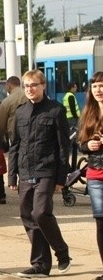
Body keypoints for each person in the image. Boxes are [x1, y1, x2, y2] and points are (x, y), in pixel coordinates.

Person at [8, 69, 72, 278]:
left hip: (47, 170)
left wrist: (62, 178)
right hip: (25, 171)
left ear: (43, 86)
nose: (29, 89)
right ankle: (40, 265)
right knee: (28, 217)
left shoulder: (56, 111)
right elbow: (15, 145)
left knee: (40, 213)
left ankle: (62, 252)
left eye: (34, 85)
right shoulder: (20, 112)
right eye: (26, 86)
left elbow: (64, 148)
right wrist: (12, 175)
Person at [77, 72, 103, 280]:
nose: (98, 90)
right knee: (101, 223)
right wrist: (88, 145)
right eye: (95, 87)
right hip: (96, 175)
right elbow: (80, 143)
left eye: (102, 86)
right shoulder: (88, 113)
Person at [0, 76, 28, 147]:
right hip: (30, 132)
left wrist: (1, 138)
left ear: (9, 85)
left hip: (15, 134)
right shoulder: (29, 96)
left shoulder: (7, 101)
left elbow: (1, 123)